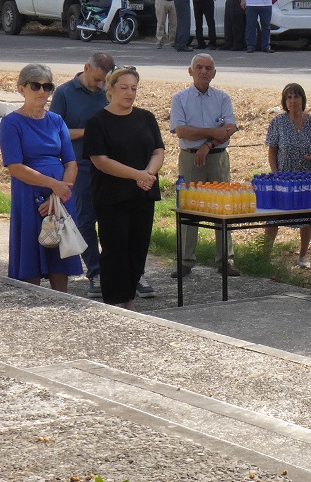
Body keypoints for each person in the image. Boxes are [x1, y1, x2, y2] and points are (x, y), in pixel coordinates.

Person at [83, 67, 165, 309]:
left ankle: (129, 301)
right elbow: (101, 161)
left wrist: (148, 174)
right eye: (124, 88)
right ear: (110, 89)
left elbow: (158, 150)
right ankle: (114, 302)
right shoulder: (97, 122)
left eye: (134, 88)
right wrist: (137, 175)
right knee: (115, 251)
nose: (130, 93)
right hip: (112, 197)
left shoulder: (146, 117)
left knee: (137, 250)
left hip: (143, 193)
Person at [0, 64, 82, 292]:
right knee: (30, 252)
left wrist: (58, 195)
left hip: (60, 195)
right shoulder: (11, 123)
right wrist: (53, 185)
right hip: (29, 194)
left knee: (60, 253)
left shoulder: (56, 120)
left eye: (47, 87)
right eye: (36, 86)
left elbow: (71, 162)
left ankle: (61, 301)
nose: (42, 91)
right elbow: (15, 167)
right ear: (21, 88)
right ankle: (31, 300)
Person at [50, 51, 122, 299]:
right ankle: (95, 271)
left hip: (110, 166)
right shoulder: (64, 93)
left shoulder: (108, 92)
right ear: (86, 68)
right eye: (97, 79)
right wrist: (88, 132)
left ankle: (122, 271)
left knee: (113, 219)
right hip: (79, 166)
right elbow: (55, 131)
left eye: (104, 81)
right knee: (85, 220)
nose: (100, 85)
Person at [169, 53, 240, 277]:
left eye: (208, 68)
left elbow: (230, 128)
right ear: (190, 71)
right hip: (190, 159)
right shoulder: (180, 99)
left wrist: (207, 144)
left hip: (217, 157)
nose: (203, 71)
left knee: (223, 207)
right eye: (199, 67)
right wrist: (213, 132)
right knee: (190, 207)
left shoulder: (223, 98)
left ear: (214, 73)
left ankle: (225, 259)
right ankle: (185, 260)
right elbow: (182, 131)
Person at [263, 83, 311, 267]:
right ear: (284, 101)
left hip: (307, 177)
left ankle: (303, 255)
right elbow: (272, 150)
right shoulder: (278, 122)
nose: (293, 100)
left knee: (307, 217)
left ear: (303, 99)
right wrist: (276, 174)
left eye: (296, 96)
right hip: (284, 177)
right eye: (289, 97)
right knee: (274, 217)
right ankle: (264, 256)